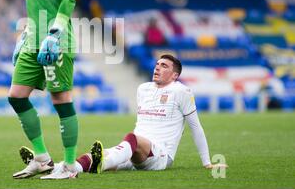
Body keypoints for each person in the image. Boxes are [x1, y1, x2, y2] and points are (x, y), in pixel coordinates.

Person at [19, 54, 227, 174]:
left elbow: (195, 127)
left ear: (175, 74)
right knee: (101, 155)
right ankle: (60, 169)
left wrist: (207, 162)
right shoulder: (143, 88)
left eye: (164, 66)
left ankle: (102, 162)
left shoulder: (182, 91)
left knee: (131, 140)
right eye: (156, 64)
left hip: (160, 155)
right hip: (135, 151)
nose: (157, 67)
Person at [9, 0, 78, 180]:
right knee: (16, 96)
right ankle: (42, 159)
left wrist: (55, 32)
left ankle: (70, 166)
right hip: (33, 41)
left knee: (60, 99)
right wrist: (26, 32)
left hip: (55, 42)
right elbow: (36, 4)